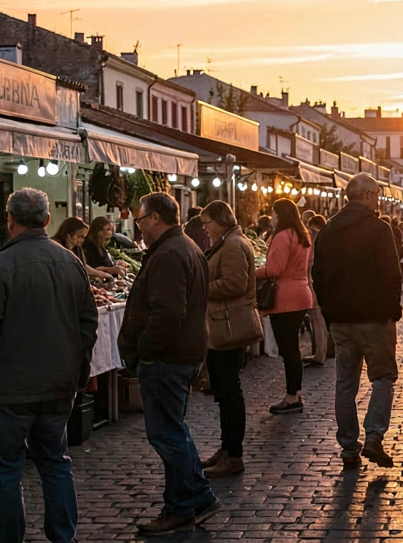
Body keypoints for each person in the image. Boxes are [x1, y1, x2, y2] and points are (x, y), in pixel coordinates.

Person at [0, 189, 98, 543]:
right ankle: (62, 536)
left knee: (6, 471)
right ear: (48, 220)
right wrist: (79, 367)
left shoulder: (1, 264)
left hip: (7, 387)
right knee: (55, 462)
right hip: (57, 384)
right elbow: (89, 323)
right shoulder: (71, 261)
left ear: (9, 220)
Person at [118, 192, 221, 535]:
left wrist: (146, 350)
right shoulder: (185, 247)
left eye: (141, 220)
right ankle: (188, 501)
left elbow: (168, 312)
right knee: (172, 429)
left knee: (167, 432)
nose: (140, 227)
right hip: (181, 352)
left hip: (167, 357)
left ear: (157, 218)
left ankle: (190, 500)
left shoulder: (169, 254)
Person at [311, 173, 402, 471]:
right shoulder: (379, 229)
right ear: (368, 196)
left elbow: (318, 275)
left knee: (345, 384)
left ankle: (349, 447)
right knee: (383, 377)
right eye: (376, 193)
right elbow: (391, 274)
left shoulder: (328, 231)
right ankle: (374, 435)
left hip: (341, 320)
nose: (377, 199)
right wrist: (392, 310)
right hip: (375, 319)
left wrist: (329, 310)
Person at [196, 200, 259, 479]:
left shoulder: (232, 245)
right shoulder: (229, 242)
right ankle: (227, 448)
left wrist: (201, 287)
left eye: (207, 222)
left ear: (220, 221)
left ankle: (234, 453)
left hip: (228, 326)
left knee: (229, 391)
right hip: (221, 323)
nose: (205, 228)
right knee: (224, 390)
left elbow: (234, 283)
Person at [255, 198, 314, 415]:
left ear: (280, 214)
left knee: (288, 349)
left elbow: (275, 268)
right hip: (301, 293)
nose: (271, 218)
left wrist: (253, 272)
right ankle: (295, 393)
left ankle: (292, 397)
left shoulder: (282, 236)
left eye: (273, 213)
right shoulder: (301, 235)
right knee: (292, 349)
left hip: (285, 298)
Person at [305, 214, 332, 367]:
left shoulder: (316, 239)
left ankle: (321, 352)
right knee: (320, 318)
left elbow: (310, 263)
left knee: (317, 318)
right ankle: (323, 350)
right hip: (323, 283)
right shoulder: (328, 237)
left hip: (314, 282)